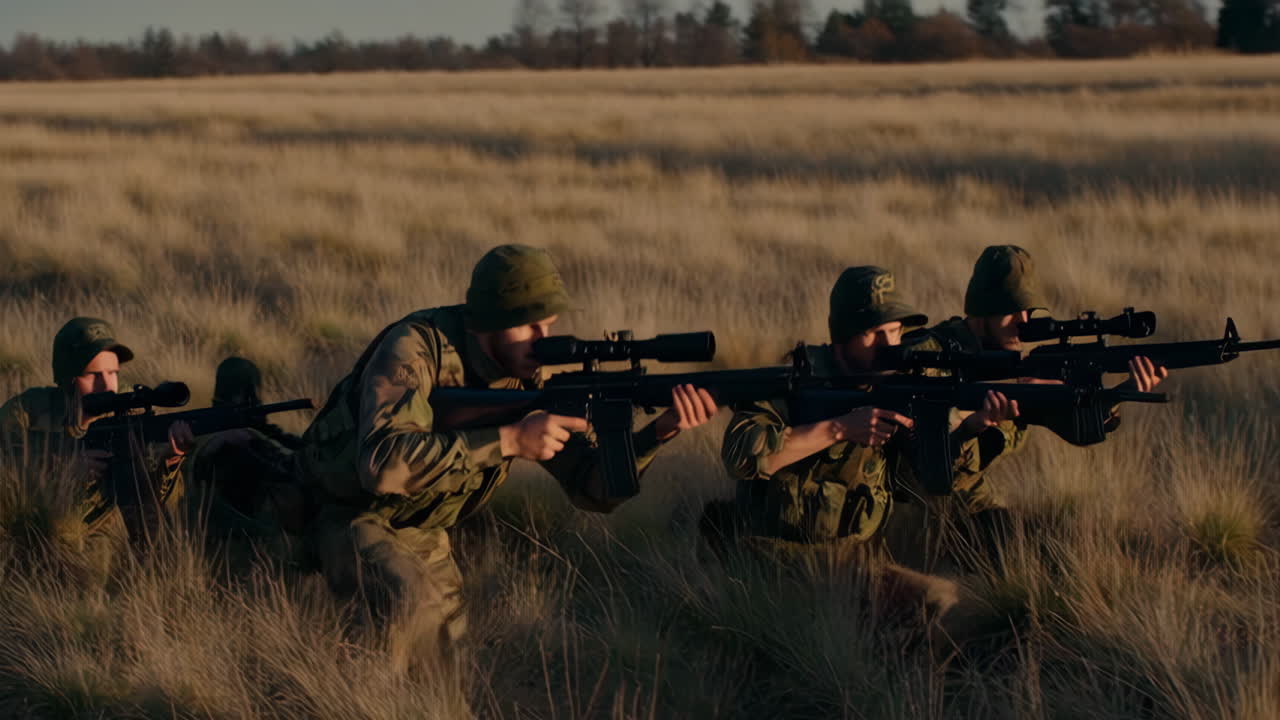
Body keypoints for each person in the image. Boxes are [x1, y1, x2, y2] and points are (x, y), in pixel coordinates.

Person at [293, 244, 718, 662]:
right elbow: (381, 465)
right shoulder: (416, 347)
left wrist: (659, 433)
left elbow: (594, 491)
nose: (542, 340)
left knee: (446, 662)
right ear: (488, 323)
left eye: (548, 325)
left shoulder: (531, 376)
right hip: (346, 509)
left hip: (421, 527)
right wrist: (510, 441)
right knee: (412, 605)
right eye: (527, 327)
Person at [709, 267, 995, 637]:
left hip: (852, 558)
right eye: (873, 333)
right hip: (775, 558)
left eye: (895, 331)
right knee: (936, 601)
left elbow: (928, 480)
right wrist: (840, 428)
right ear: (842, 336)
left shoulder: (899, 387)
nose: (888, 345)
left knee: (961, 598)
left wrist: (970, 428)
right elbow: (741, 456)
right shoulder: (793, 381)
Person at [0, 317, 193, 562]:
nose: (106, 385)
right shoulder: (29, 411)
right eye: (93, 375)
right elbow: (7, 469)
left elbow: (167, 506)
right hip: (41, 545)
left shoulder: (130, 417)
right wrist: (63, 470)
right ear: (68, 379)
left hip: (112, 548)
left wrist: (172, 460)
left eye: (113, 373)